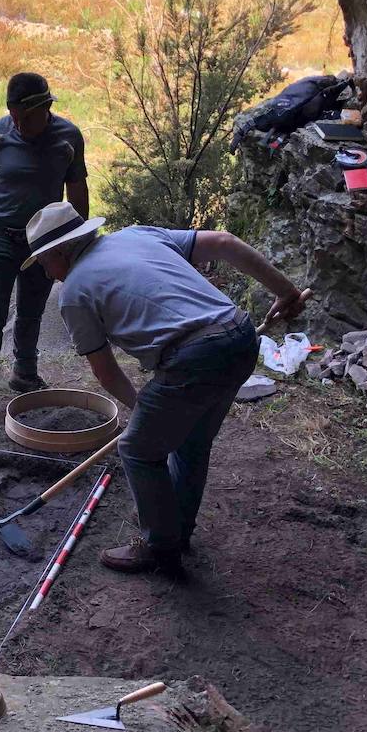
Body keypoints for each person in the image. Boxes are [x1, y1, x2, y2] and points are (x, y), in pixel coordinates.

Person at [20, 202, 306, 575]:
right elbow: (223, 241)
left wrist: (144, 411)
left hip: (194, 356)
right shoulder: (136, 235)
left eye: (43, 263)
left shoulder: (74, 292)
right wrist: (286, 291)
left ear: (58, 252)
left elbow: (106, 372)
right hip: (239, 335)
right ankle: (177, 534)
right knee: (189, 443)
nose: (49, 274)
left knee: (137, 448)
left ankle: (159, 548)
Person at [0, 72, 89, 424]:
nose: (19, 123)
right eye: (14, 115)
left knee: (31, 313)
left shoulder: (67, 138)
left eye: (26, 117)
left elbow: (77, 190)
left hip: (44, 240)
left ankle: (24, 374)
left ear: (46, 107)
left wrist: (76, 243)